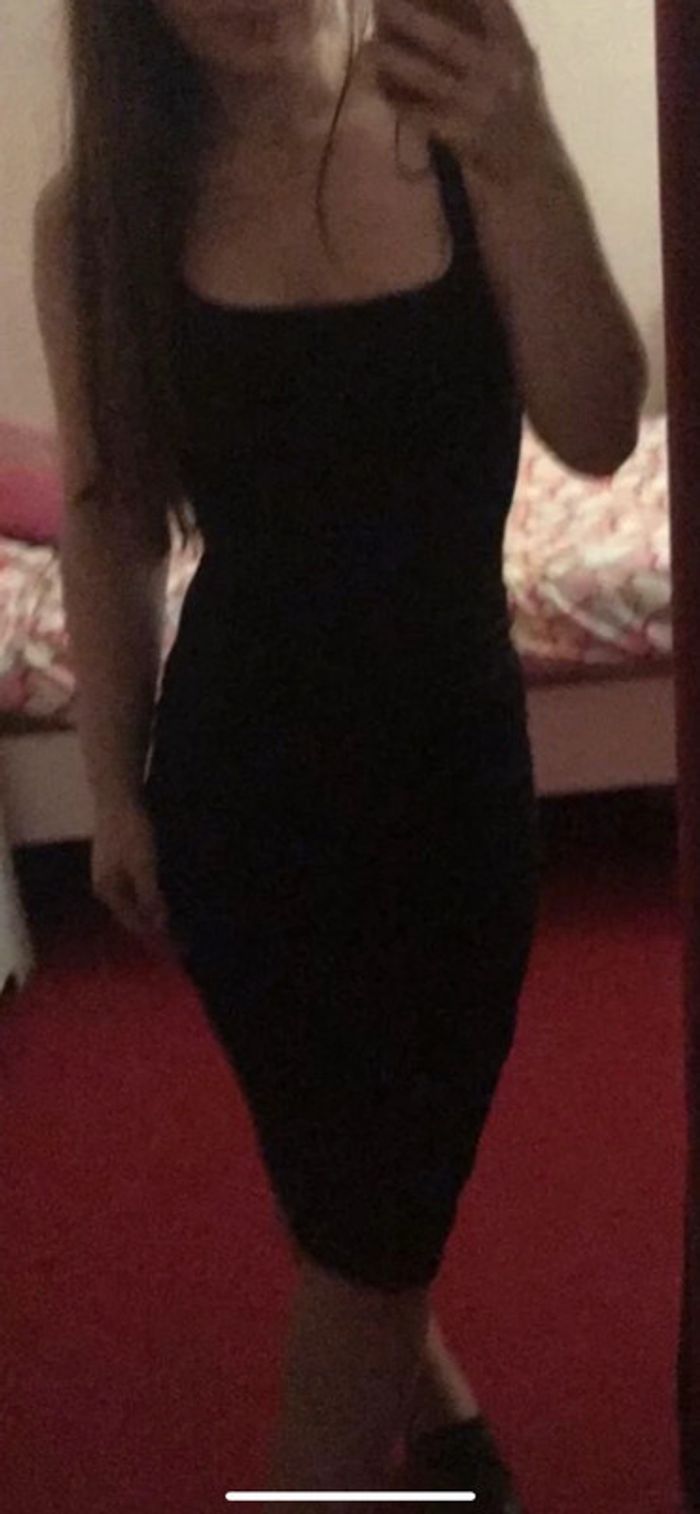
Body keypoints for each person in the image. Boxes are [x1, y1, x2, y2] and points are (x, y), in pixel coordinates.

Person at [32, 0, 648, 1507]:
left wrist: (528, 154)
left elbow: (597, 427)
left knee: (374, 1203)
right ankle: (429, 1437)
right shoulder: (101, 213)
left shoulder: (456, 136)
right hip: (239, 798)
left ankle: (386, 1447)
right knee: (351, 1195)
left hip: (451, 786)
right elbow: (109, 521)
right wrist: (113, 788)